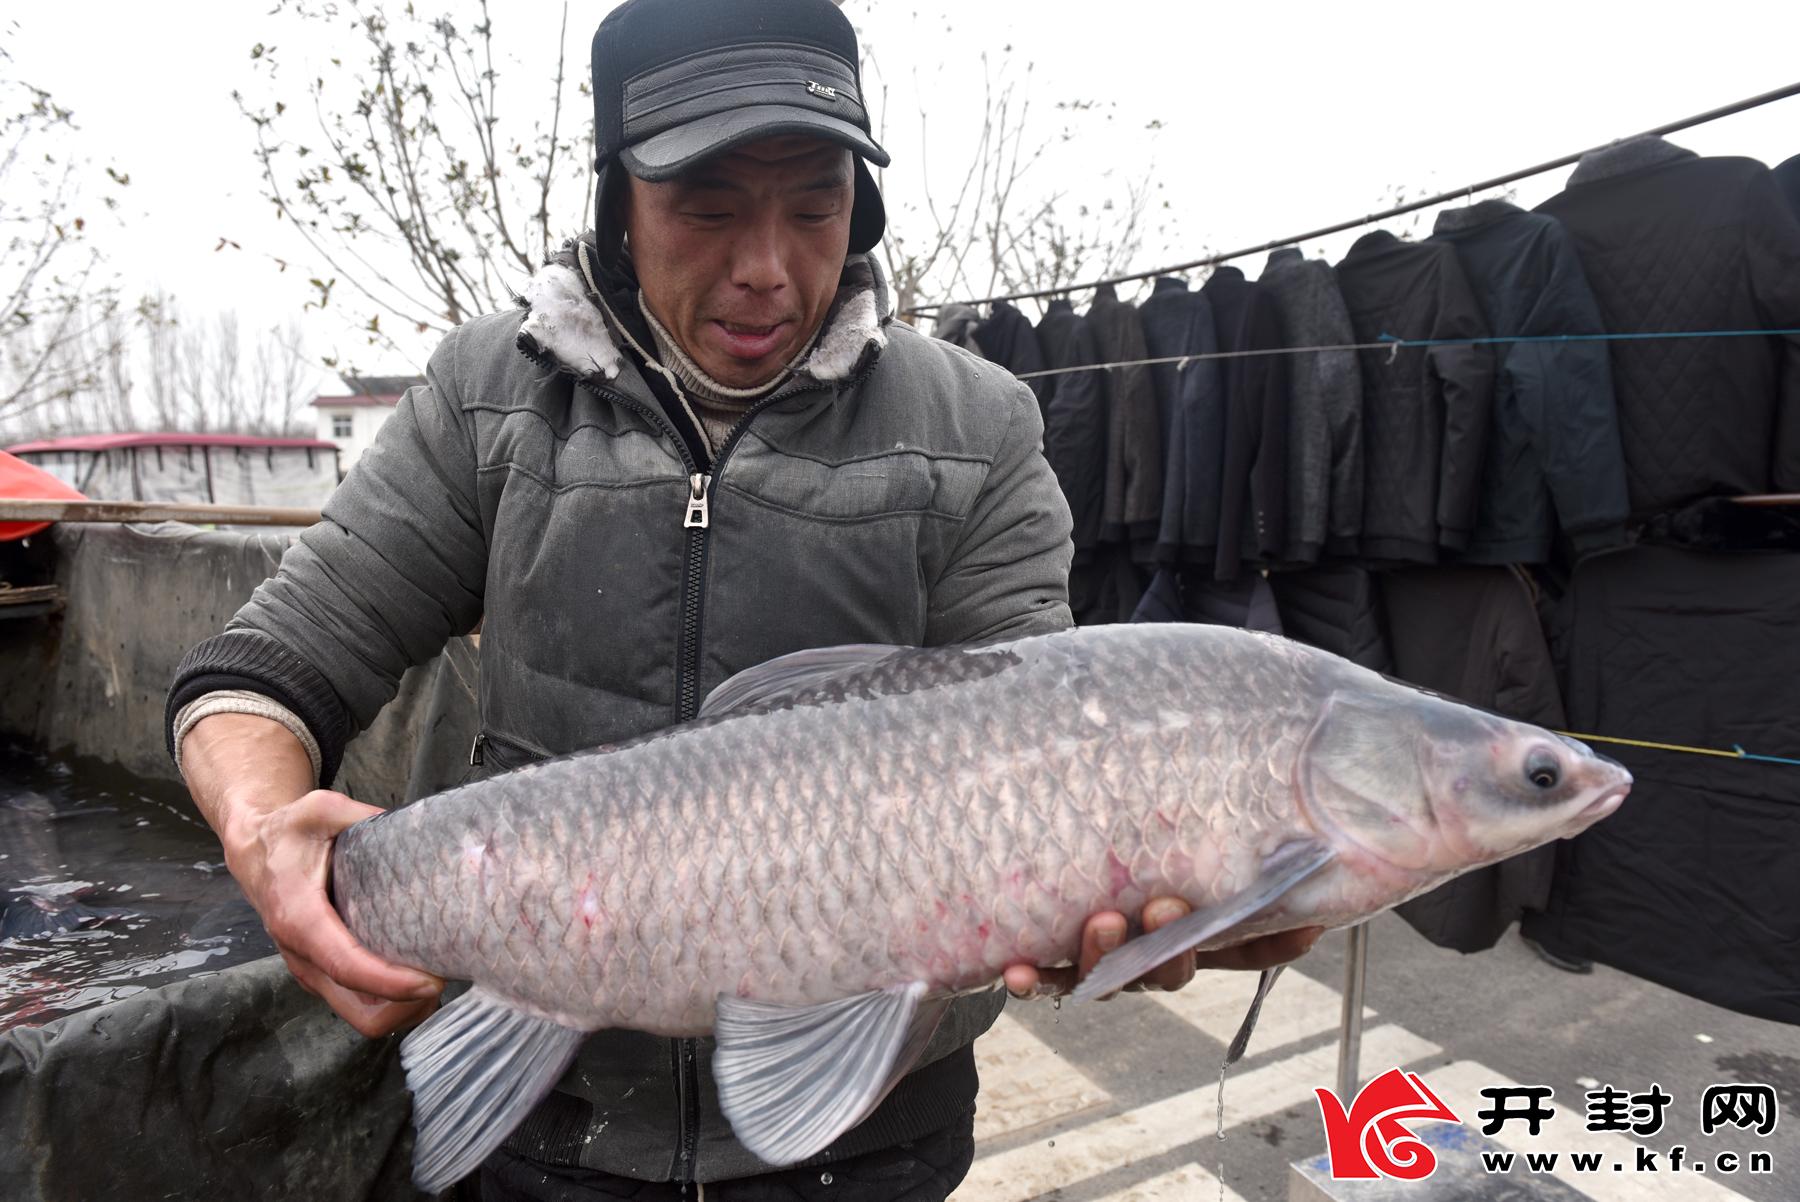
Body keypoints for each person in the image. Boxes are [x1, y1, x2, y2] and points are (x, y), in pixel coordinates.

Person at [165, 1, 1319, 1197]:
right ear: (619, 201)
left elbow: (1039, 745)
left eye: (814, 206)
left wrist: (1154, 915)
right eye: (708, 208)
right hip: (549, 1123)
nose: (767, 268)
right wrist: (263, 838)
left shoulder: (976, 428)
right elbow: (264, 667)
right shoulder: (486, 397)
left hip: (869, 1137)